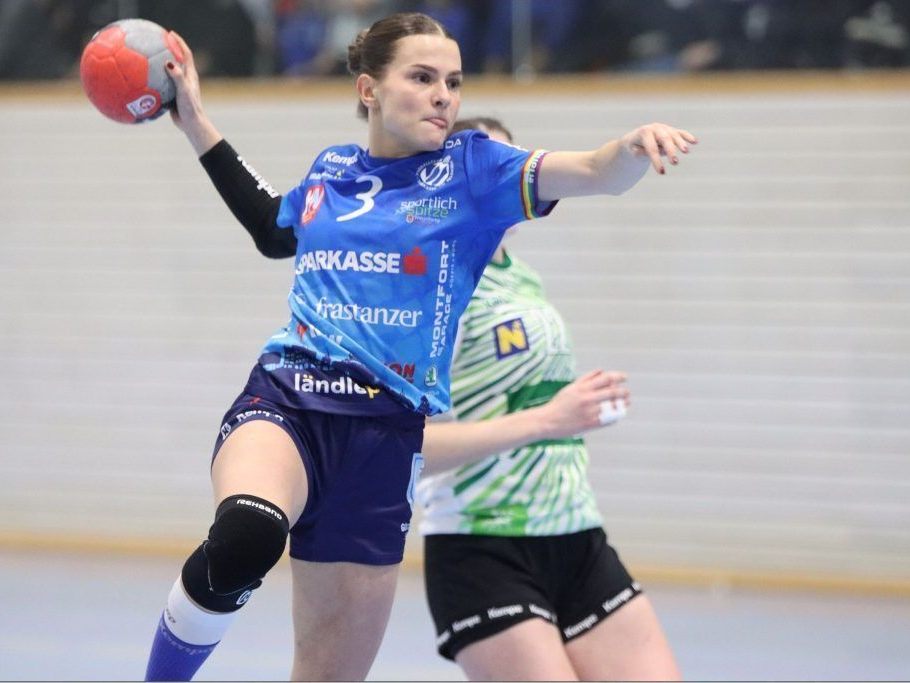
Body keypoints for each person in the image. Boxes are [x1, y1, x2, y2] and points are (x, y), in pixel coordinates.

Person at [141, 11, 697, 681]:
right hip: (291, 398)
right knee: (248, 532)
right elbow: (271, 229)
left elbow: (595, 171)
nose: (443, 96)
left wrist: (630, 148)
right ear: (370, 89)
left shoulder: (473, 170)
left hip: (384, 436)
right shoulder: (333, 168)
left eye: (453, 82)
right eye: (423, 77)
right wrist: (196, 122)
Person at [416, 117, 681, 681]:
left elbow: (598, 171)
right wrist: (547, 420)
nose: (510, 176)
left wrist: (575, 410)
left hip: (575, 534)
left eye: (514, 162)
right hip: (483, 547)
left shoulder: (521, 279)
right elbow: (404, 447)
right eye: (492, 165)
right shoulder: (435, 287)